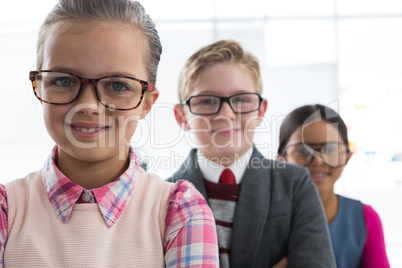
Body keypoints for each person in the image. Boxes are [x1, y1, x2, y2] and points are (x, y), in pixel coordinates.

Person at [0, 0, 219, 266]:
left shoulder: (180, 212)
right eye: (64, 81)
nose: (89, 106)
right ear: (41, 87)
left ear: (147, 102)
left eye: (117, 85)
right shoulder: (7, 210)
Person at [167, 40, 336, 267]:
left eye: (241, 100)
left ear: (260, 111)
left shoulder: (295, 185)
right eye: (207, 101)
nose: (226, 113)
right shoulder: (161, 198)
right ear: (182, 117)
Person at [277, 104, 390, 268]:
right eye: (302, 151)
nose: (317, 161)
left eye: (330, 149)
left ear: (347, 156)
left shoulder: (366, 218)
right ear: (281, 160)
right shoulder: (266, 218)